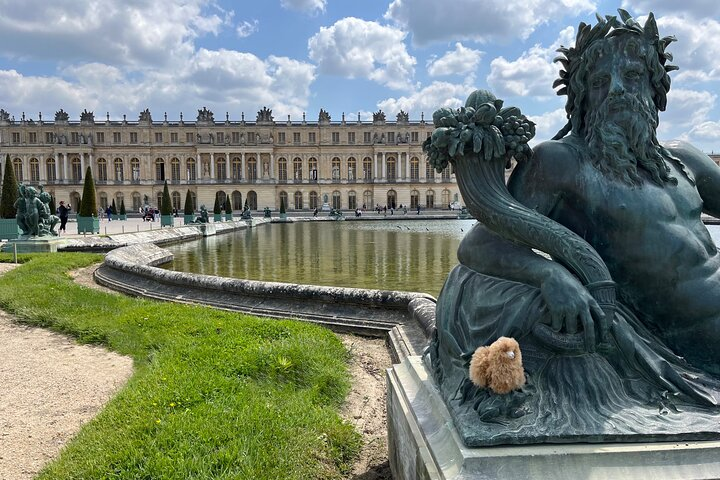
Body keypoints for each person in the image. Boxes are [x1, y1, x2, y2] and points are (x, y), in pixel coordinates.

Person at [436, 11, 720, 413]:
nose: (619, 90)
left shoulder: (684, 158)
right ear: (581, 98)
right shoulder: (560, 163)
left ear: (656, 88)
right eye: (602, 81)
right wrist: (548, 272)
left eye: (634, 76)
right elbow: (479, 245)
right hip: (696, 335)